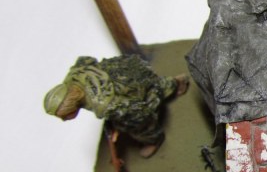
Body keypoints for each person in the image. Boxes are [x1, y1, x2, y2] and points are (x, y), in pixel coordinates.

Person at [44, 55, 188, 157]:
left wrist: (120, 124)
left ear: (72, 105)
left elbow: (138, 112)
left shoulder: (103, 105)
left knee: (138, 124)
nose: (65, 119)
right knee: (155, 85)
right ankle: (175, 83)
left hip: (134, 86)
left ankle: (154, 140)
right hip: (126, 66)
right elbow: (86, 59)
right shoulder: (74, 74)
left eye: (65, 115)